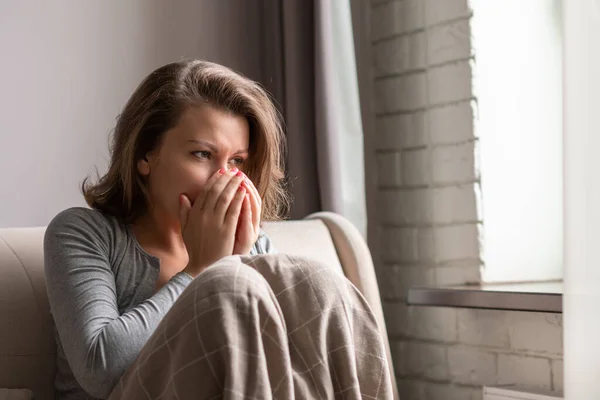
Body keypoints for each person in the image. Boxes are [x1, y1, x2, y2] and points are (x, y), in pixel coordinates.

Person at [44, 59, 393, 399]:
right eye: (201, 154)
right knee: (233, 285)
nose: (223, 178)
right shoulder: (83, 233)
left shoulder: (254, 245)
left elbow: (286, 372)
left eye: (237, 161)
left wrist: (241, 261)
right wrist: (201, 271)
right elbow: (99, 368)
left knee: (317, 281)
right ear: (145, 156)